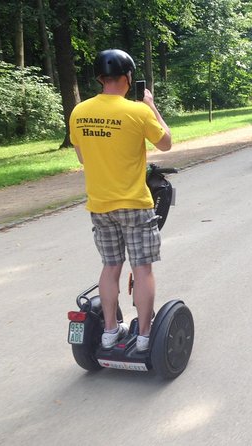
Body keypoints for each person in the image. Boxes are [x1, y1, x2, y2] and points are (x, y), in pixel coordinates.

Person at [69, 49, 172, 352]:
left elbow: (82, 156)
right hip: (134, 204)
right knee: (142, 268)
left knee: (110, 266)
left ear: (100, 78)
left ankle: (110, 331)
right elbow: (165, 143)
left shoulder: (79, 112)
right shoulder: (137, 111)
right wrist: (151, 106)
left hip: (100, 206)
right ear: (128, 77)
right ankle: (143, 336)